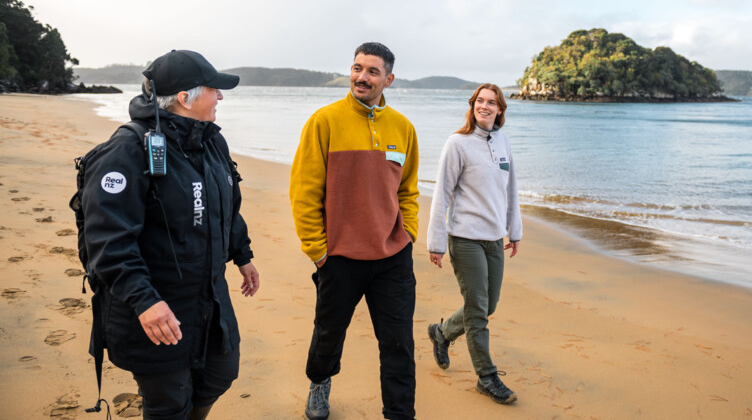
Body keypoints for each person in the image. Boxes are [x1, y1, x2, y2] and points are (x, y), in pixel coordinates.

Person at [81, 50, 261, 420]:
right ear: (184, 98)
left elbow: (227, 205)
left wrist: (241, 254)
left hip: (209, 298)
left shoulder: (212, 142)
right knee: (167, 405)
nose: (221, 98)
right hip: (152, 305)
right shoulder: (126, 150)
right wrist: (145, 301)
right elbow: (108, 241)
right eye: (215, 90)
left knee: (220, 375)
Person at [289, 42, 419, 420]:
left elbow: (408, 189)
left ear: (388, 79)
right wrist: (317, 250)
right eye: (358, 68)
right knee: (329, 333)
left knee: (399, 343)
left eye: (372, 71)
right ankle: (319, 382)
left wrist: (407, 231)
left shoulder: (403, 127)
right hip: (340, 257)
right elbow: (304, 190)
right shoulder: (324, 121)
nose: (362, 77)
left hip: (393, 256)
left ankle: (399, 413)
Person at [426, 83, 523, 404]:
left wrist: (515, 231)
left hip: (494, 239)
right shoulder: (457, 144)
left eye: (491, 102)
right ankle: (487, 376)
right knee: (479, 312)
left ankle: (441, 333)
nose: (485, 106)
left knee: (487, 304)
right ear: (472, 106)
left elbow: (511, 191)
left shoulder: (504, 141)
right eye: (480, 101)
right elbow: (442, 193)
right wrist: (436, 241)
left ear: (499, 110)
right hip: (465, 239)